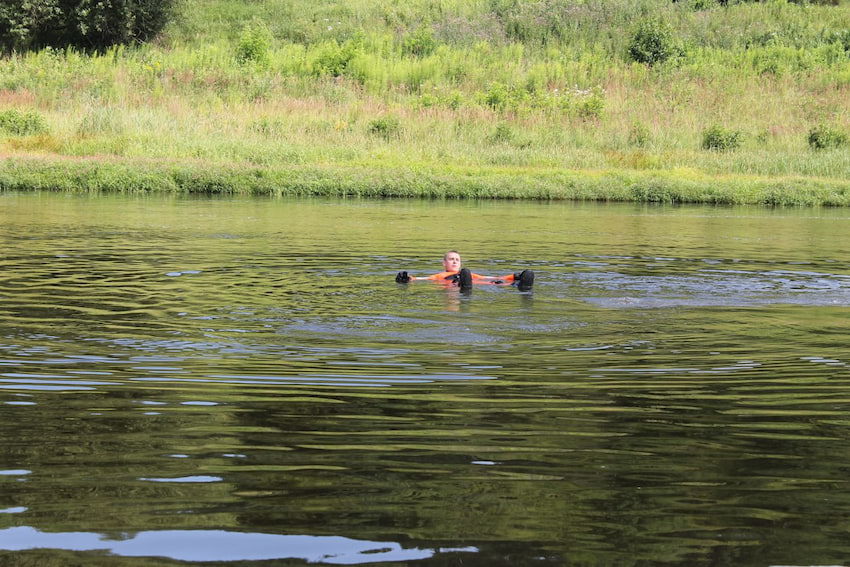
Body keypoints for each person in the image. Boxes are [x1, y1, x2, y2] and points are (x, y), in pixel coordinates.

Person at [395, 250, 534, 290]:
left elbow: (489, 278)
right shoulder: (440, 275)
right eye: (451, 259)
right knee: (464, 276)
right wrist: (407, 278)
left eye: (457, 259)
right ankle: (465, 286)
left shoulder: (468, 272)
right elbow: (421, 279)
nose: (455, 261)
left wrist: (514, 276)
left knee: (496, 282)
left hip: (478, 283)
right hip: (457, 285)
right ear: (444, 263)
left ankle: (521, 285)